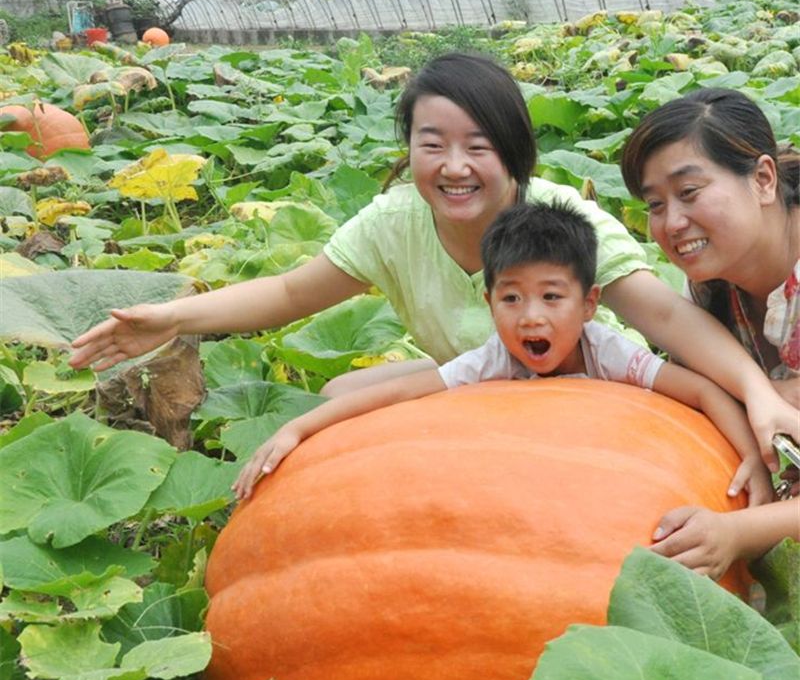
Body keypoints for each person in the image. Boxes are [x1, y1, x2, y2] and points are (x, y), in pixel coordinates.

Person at [68, 53, 798, 468]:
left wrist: (754, 394)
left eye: (478, 145)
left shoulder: (559, 220)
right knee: (329, 403)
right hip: (488, 381)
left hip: (593, 398)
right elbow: (290, 292)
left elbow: (666, 315)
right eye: (431, 143)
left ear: (512, 150)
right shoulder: (396, 222)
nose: (454, 167)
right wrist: (168, 317)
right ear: (408, 146)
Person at [233, 201, 772, 514]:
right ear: (488, 302)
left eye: (551, 298)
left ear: (589, 305)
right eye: (511, 298)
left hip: (613, 477)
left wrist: (751, 455)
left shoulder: (607, 352)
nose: (531, 317)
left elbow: (701, 391)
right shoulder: (494, 359)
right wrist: (298, 429)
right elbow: (397, 392)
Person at [621, 87, 800, 579]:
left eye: (689, 192)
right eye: (654, 204)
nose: (672, 222)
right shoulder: (711, 284)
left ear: (763, 179)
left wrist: (737, 532)